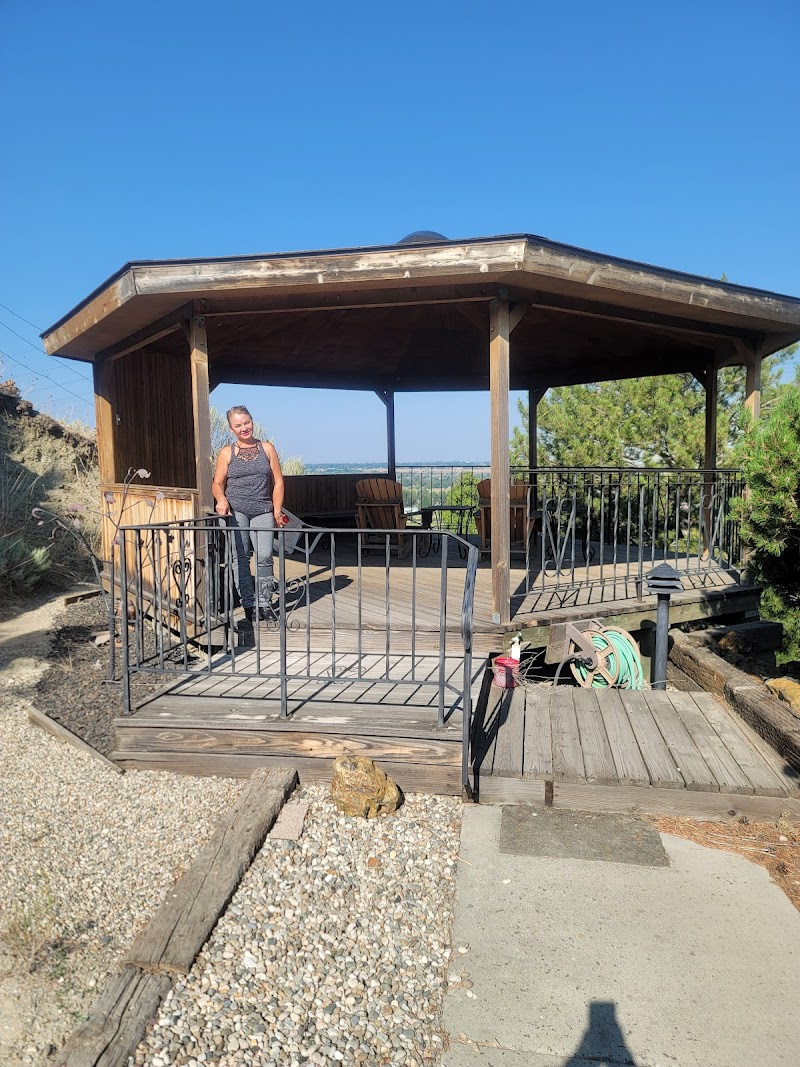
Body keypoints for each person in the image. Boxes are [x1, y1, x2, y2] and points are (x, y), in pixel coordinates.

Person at [212, 406, 287, 621]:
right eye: (238, 425)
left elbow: (278, 481)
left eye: (247, 422)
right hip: (236, 511)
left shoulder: (267, 449)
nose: (244, 428)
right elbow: (217, 483)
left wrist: (277, 509)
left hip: (263, 508)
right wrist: (221, 499)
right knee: (241, 558)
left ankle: (265, 603)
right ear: (231, 428)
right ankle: (249, 603)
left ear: (252, 421)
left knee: (264, 557)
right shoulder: (227, 452)